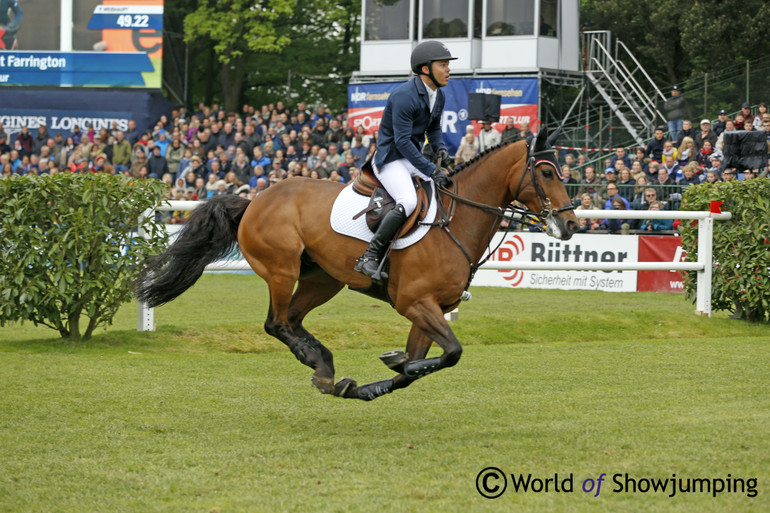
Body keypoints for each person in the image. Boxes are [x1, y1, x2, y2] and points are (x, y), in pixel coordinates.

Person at [354, 40, 455, 279]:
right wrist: (430, 169)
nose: (448, 70)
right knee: (408, 201)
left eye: (448, 65)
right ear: (425, 69)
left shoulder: (437, 95)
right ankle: (369, 256)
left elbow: (434, 128)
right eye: (443, 65)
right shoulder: (404, 96)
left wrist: (440, 148)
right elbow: (401, 142)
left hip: (410, 157)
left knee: (445, 189)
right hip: (390, 159)